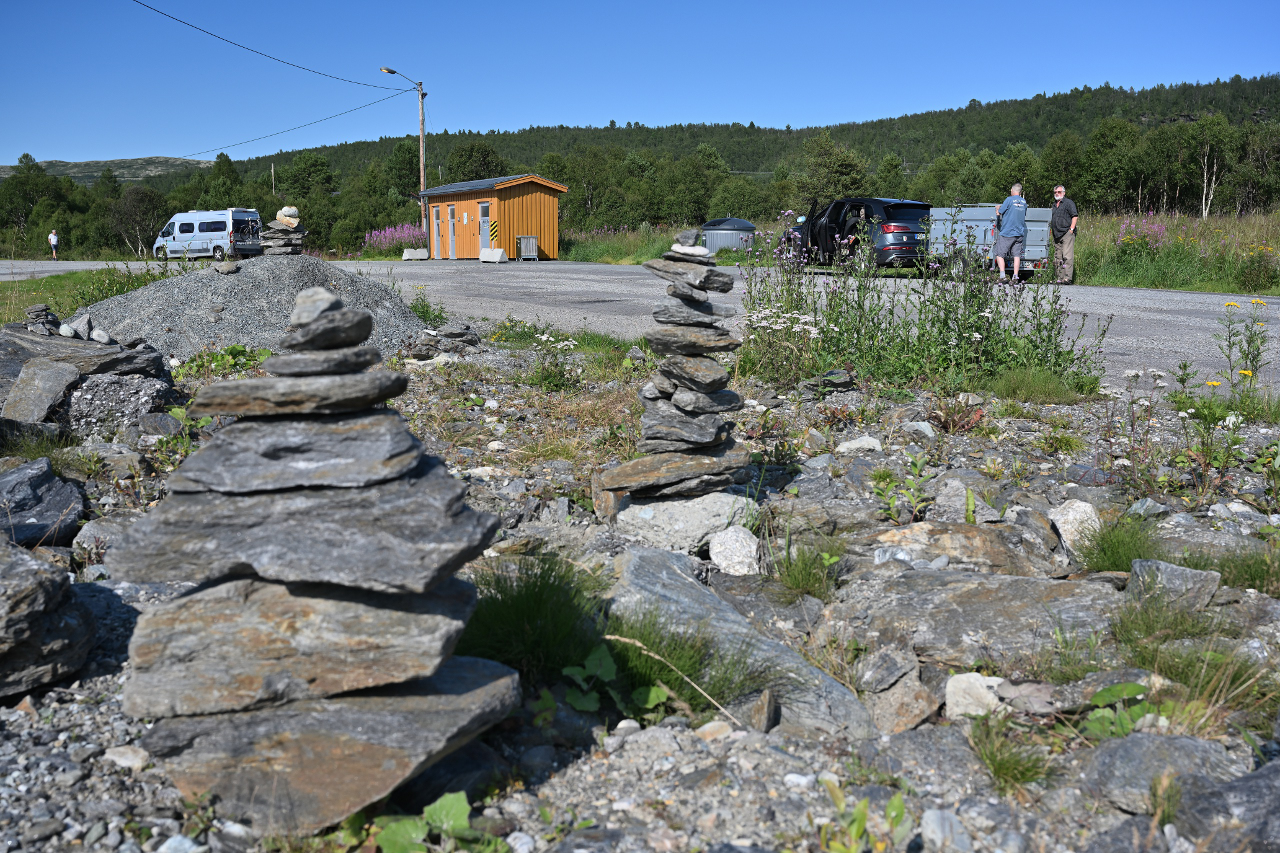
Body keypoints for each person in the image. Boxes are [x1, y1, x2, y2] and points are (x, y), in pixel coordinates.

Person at [993, 184, 1028, 280]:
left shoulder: (1009, 200)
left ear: (1012, 190)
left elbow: (999, 212)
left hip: (1007, 233)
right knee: (1016, 255)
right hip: (1019, 233)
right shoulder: (1024, 202)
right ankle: (1015, 276)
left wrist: (997, 208)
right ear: (1020, 192)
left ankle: (1002, 276)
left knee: (999, 254)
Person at [1050, 185, 1079, 283]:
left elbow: (1074, 216)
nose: (1057, 194)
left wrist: (1071, 229)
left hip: (1067, 233)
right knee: (1058, 257)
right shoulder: (1054, 205)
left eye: (1059, 192)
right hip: (1056, 234)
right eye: (1055, 192)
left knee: (1067, 256)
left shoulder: (1068, 203)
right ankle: (1059, 278)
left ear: (1063, 192)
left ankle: (1067, 278)